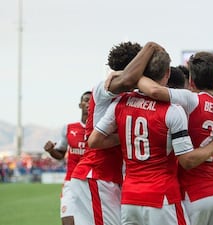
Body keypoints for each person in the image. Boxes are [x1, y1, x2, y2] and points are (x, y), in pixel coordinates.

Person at [87, 49, 213, 225]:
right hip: (163, 196)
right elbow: (189, 160)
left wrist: (126, 135)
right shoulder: (173, 111)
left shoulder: (120, 103)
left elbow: (94, 141)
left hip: (130, 198)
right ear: (167, 74)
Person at [137, 51, 213, 225]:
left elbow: (155, 91)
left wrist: (134, 76)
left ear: (192, 81)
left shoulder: (191, 99)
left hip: (194, 192)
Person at [70, 41, 160, 225]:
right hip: (95, 173)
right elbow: (128, 79)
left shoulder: (128, 94)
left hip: (108, 177)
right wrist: (150, 47)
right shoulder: (104, 88)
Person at [43, 90, 91, 225]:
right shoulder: (68, 128)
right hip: (71, 182)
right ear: (80, 105)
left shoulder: (100, 129)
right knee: (67, 221)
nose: (88, 103)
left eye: (91, 101)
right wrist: (51, 150)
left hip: (91, 183)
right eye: (85, 100)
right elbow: (60, 155)